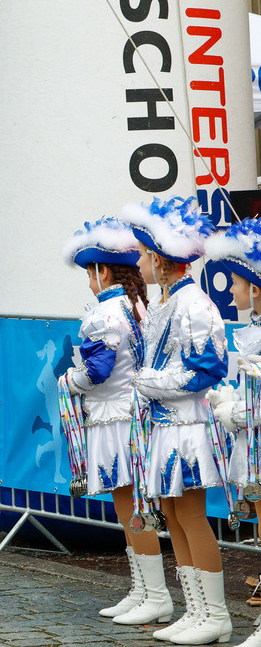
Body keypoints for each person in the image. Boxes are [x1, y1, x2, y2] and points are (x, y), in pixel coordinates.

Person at [120, 196, 230, 644]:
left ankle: (217, 614)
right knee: (171, 513)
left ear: (162, 261)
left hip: (187, 426)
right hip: (164, 426)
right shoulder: (167, 303)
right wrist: (151, 385)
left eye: (145, 257)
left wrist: (151, 383)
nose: (141, 264)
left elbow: (209, 368)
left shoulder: (196, 305)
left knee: (191, 514)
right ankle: (195, 608)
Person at [61, 217, 168, 625]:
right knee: (132, 508)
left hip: (115, 419)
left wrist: (69, 380)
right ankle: (143, 590)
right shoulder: (137, 306)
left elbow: (97, 371)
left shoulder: (105, 312)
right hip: (132, 416)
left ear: (101, 271)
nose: (89, 282)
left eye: (90, 274)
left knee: (132, 509)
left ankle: (155, 595)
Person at [204, 219, 261, 647]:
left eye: (238, 283)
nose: (232, 291)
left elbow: (257, 402)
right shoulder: (252, 333)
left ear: (256, 290)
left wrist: (233, 413)